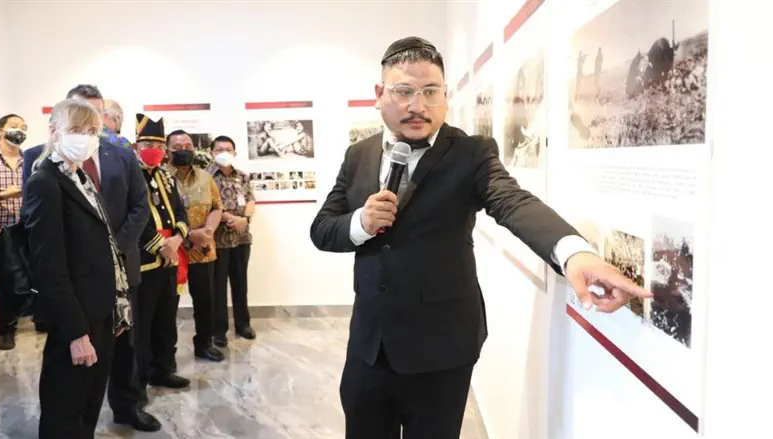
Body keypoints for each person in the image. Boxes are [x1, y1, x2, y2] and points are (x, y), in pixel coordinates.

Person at [309, 36, 653, 439]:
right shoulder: (359, 154)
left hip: (441, 349)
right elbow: (323, 229)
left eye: (430, 91)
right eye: (403, 91)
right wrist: (361, 224)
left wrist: (575, 254)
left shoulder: (471, 154)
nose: (418, 106)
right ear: (379, 94)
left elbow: (513, 202)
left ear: (445, 95)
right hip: (370, 347)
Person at [21, 84, 162, 432]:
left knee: (88, 407)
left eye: (91, 131)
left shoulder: (79, 175)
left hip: (101, 310)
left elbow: (109, 239)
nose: (84, 138)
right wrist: (76, 333)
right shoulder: (46, 181)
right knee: (65, 413)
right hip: (76, 318)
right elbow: (49, 266)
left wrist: (116, 307)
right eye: (76, 129)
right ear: (54, 131)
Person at [133, 113, 191, 390]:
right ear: (136, 146)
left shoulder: (167, 177)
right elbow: (132, 218)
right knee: (142, 324)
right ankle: (139, 379)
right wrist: (160, 246)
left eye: (158, 144)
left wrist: (178, 238)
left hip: (170, 259)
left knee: (166, 321)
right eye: (147, 144)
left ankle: (163, 370)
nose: (153, 150)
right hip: (144, 261)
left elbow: (180, 211)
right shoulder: (130, 176)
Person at [166, 129, 225, 362]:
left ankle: (204, 344)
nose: (183, 150)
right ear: (167, 150)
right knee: (168, 304)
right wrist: (190, 235)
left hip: (203, 250)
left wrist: (208, 232)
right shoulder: (160, 177)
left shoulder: (205, 177)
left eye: (188, 146)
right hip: (172, 252)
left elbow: (217, 207)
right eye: (177, 147)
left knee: (205, 300)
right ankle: (166, 352)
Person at [208, 135, 255, 345]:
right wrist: (230, 218)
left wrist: (244, 219)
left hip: (242, 238)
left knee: (241, 283)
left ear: (234, 152)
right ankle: (219, 331)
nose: (224, 153)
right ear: (211, 152)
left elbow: (251, 200)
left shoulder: (242, 176)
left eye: (228, 149)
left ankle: (243, 324)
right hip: (218, 240)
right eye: (219, 150)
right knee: (218, 286)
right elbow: (211, 205)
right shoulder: (206, 177)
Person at [0, 113, 27, 352]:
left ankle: (35, 315)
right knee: (2, 280)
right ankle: (6, 327)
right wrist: (3, 195)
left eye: (23, 127)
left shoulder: (30, 160)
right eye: (14, 126)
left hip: (25, 228)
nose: (19, 131)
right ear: (0, 131)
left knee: (28, 275)